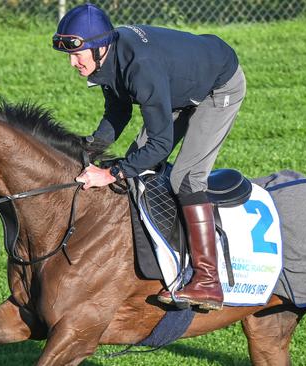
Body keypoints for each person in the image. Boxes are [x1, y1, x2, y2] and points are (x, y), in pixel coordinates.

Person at [52, 3, 246, 311]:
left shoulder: (138, 66)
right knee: (138, 165)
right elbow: (118, 110)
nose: (72, 63)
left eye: (77, 54)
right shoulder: (109, 59)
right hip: (176, 84)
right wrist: (88, 148)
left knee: (186, 177)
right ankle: (169, 262)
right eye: (69, 56)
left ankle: (208, 281)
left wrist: (110, 174)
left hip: (218, 86)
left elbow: (159, 144)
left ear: (101, 47)